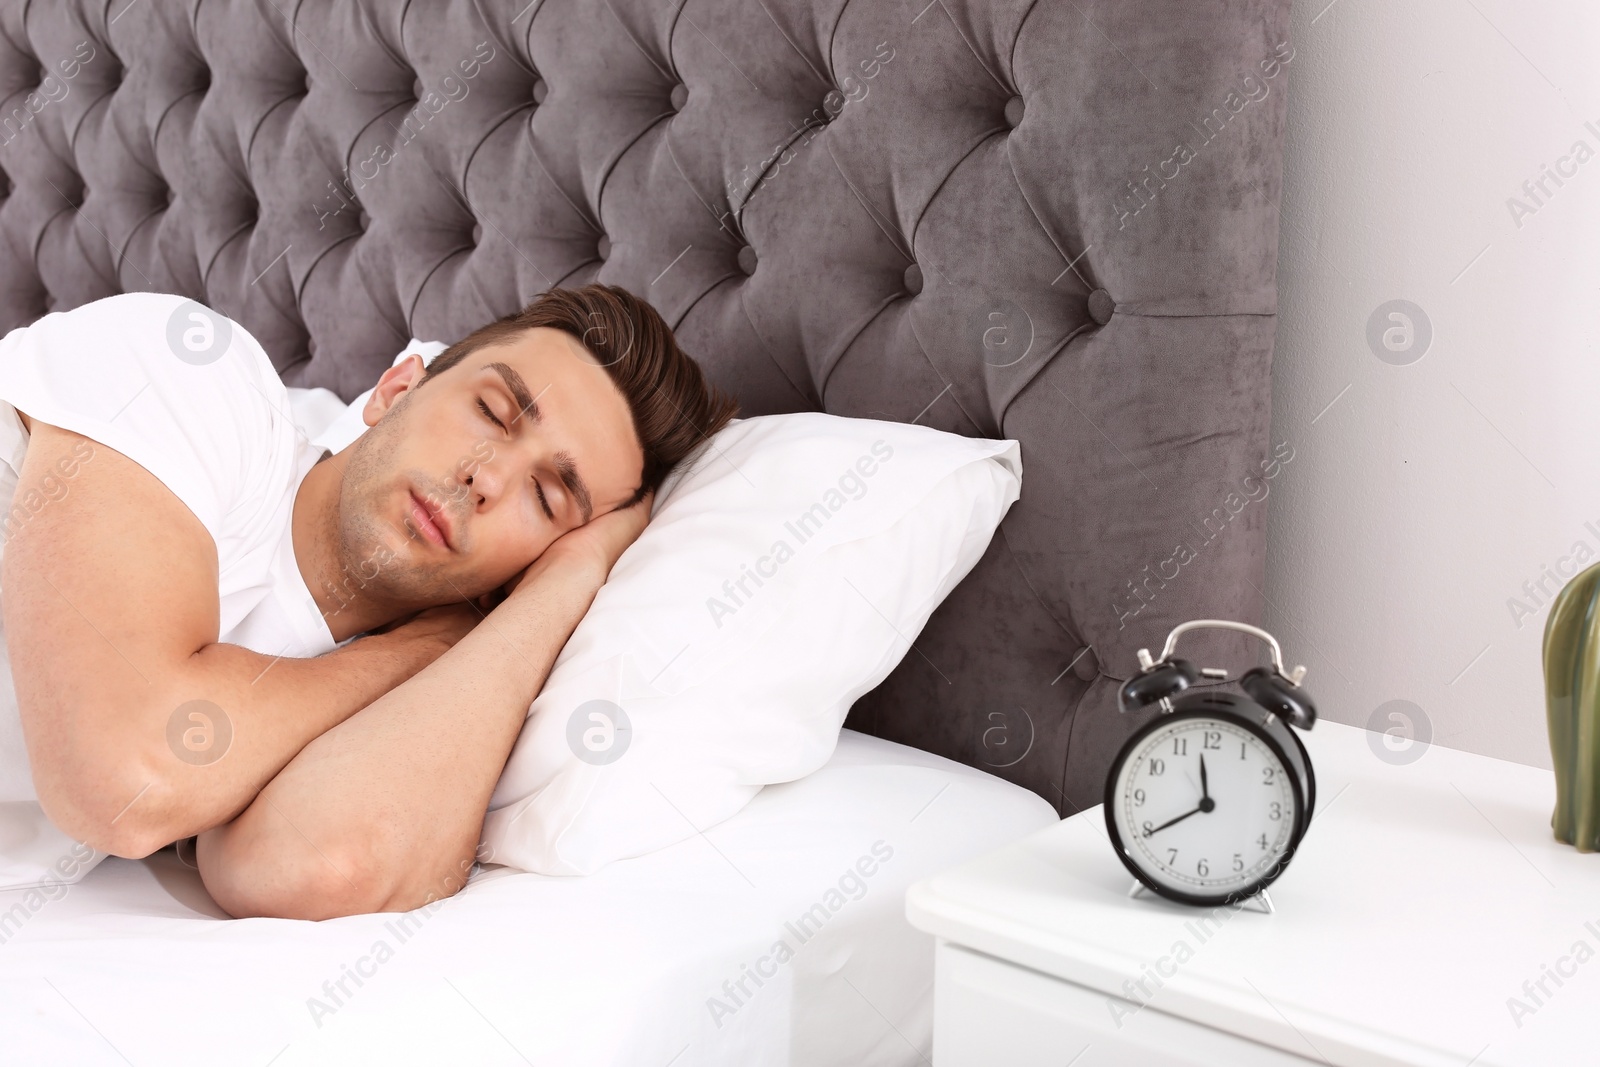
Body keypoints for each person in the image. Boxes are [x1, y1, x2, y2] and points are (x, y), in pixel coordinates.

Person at [0, 284, 738, 919]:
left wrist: (566, 582)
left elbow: (319, 862)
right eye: (492, 411)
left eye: (546, 497)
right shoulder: (196, 378)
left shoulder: (387, 696)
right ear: (395, 389)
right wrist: (420, 647)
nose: (485, 475)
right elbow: (125, 778)